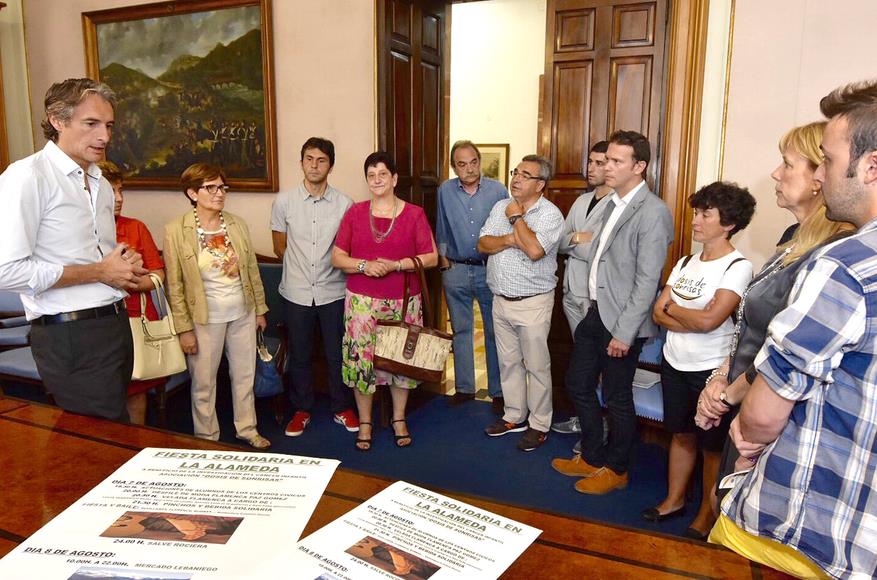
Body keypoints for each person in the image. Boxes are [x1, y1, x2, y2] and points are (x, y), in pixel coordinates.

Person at [707, 80, 877, 579]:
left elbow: (763, 412)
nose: (822, 174)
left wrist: (747, 431)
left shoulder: (845, 264)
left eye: (826, 159)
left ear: (871, 166)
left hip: (817, 525)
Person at [693, 123, 853, 539]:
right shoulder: (792, 238)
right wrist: (719, 377)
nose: (776, 174)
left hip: (775, 413)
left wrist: (728, 392)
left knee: (747, 528)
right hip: (742, 400)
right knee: (725, 510)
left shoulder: (830, 254)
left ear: (820, 177)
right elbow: (751, 323)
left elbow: (785, 351)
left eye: (787, 164)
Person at [0, 78, 147, 422]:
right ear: (57, 120)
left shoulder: (100, 183)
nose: (105, 137)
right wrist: (99, 271)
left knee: (113, 438)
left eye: (108, 125)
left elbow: (98, 259)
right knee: (100, 444)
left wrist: (124, 265)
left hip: (114, 324)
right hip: (69, 334)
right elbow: (6, 270)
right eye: (91, 124)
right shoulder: (26, 177)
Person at [551, 130, 674, 494]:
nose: (607, 167)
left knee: (618, 397)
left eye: (617, 161)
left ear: (640, 167)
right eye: (606, 160)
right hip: (594, 312)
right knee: (578, 383)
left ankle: (617, 468)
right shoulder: (609, 204)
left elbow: (647, 279)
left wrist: (625, 332)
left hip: (622, 322)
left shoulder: (653, 212)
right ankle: (591, 455)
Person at [641, 182, 755, 537]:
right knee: (681, 433)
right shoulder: (686, 262)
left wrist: (676, 309)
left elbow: (711, 321)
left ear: (729, 223)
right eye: (696, 212)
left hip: (711, 372)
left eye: (706, 214)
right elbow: (658, 313)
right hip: (674, 362)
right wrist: (685, 314)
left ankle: (708, 513)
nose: (695, 220)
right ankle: (674, 499)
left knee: (710, 446)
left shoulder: (738, 266)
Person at [331, 151, 438, 451]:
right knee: (361, 362)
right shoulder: (354, 213)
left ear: (394, 179)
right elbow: (337, 257)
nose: (377, 180)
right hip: (362, 304)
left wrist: (397, 264)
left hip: (403, 301)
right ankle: (365, 422)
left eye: (382, 174)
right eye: (371, 175)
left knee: (400, 361)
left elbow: (431, 257)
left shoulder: (414, 214)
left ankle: (399, 419)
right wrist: (364, 265)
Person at [164, 163, 270, 449]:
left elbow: (251, 269)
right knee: (203, 382)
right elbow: (175, 286)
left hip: (242, 312)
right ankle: (207, 437)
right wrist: (184, 328)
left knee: (244, 375)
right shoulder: (177, 230)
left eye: (222, 187)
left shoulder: (236, 224)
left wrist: (259, 309)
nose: (219, 193)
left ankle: (247, 429)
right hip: (204, 318)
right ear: (192, 192)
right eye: (211, 188)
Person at [270, 137, 358, 438]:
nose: (314, 165)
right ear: (301, 162)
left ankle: (341, 408)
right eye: (309, 159)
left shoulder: (345, 204)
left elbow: (346, 249)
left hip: (333, 291)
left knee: (337, 355)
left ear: (330, 165)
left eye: (320, 160)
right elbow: (280, 247)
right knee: (300, 355)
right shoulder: (284, 202)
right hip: (295, 292)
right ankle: (302, 409)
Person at [479, 155, 564, 452]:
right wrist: (511, 238)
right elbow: (483, 244)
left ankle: (540, 423)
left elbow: (535, 251)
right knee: (509, 362)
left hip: (533, 302)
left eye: (526, 175)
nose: (516, 178)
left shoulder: (550, 214)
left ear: (540, 184)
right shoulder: (500, 206)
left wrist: (517, 220)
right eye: (516, 172)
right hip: (500, 299)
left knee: (537, 367)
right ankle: (514, 415)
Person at [436, 140, 508, 412]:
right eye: (462, 164)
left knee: (493, 331)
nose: (469, 168)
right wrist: (444, 263)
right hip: (454, 269)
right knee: (461, 331)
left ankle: (498, 391)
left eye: (473, 162)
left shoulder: (498, 190)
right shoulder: (445, 190)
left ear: (480, 161)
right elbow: (441, 225)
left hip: (488, 269)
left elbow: (505, 229)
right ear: (455, 168)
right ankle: (465, 387)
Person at [552, 140, 612, 437]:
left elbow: (599, 251)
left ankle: (599, 425)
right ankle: (583, 419)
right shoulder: (580, 201)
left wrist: (576, 241)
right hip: (570, 291)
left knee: (597, 363)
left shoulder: (619, 206)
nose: (592, 168)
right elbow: (560, 243)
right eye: (591, 161)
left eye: (600, 163)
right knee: (581, 362)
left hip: (597, 298)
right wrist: (578, 239)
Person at [100, 160, 167, 425]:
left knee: (136, 388)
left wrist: (128, 282)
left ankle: (136, 446)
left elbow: (158, 275)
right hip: (99, 325)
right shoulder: (81, 231)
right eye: (111, 192)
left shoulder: (135, 227)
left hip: (136, 321)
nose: (119, 199)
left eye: (121, 191)